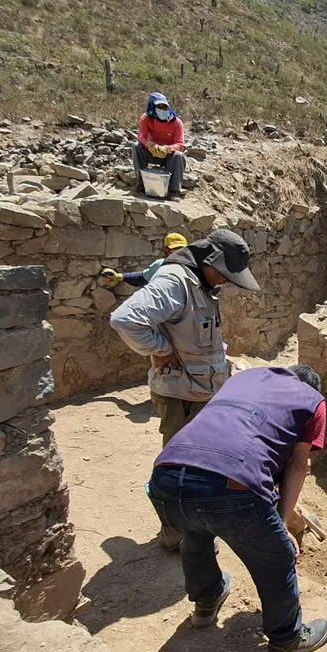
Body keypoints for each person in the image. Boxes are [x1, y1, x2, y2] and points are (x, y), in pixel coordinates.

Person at [147, 365, 327, 652]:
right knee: (277, 556)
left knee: (196, 531)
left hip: (165, 477)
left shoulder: (245, 378)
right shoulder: (312, 400)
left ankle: (206, 603)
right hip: (230, 483)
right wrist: (281, 525)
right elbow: (298, 464)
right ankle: (286, 640)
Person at [110, 229, 260, 547]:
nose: (224, 282)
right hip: (181, 396)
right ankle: (175, 533)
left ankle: (193, 524)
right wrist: (161, 349)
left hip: (201, 392)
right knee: (180, 467)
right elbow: (126, 319)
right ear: (209, 260)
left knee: (202, 464)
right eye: (223, 275)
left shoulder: (201, 282)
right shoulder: (176, 279)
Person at [134, 92, 187, 201]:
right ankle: (141, 182)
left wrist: (167, 149)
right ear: (152, 107)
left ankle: (174, 190)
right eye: (160, 107)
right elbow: (141, 136)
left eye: (165, 107)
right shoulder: (146, 118)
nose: (163, 110)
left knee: (179, 156)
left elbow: (180, 144)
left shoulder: (176, 122)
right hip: (152, 152)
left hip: (168, 157)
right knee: (136, 147)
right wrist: (148, 144)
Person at [100, 232, 188, 290]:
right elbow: (142, 277)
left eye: (182, 249)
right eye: (175, 249)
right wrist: (120, 276)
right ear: (166, 249)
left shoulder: (194, 266)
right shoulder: (160, 265)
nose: (179, 253)